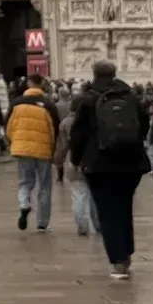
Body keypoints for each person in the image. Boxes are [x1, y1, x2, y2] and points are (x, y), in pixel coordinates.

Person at [69, 59, 150, 278]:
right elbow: (143, 126)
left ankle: (118, 261)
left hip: (99, 163)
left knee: (107, 211)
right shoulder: (130, 96)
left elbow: (78, 134)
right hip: (132, 161)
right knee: (124, 207)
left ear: (94, 73)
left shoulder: (87, 99)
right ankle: (127, 252)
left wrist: (76, 160)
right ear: (115, 73)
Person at [6, 73, 61, 231]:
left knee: (25, 182)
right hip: (43, 150)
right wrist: (53, 149)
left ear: (29, 84)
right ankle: (42, 223)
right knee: (44, 186)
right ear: (41, 84)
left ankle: (24, 204)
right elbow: (55, 129)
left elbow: (8, 127)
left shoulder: (16, 103)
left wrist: (13, 143)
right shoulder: (48, 104)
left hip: (22, 148)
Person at [55, 94, 99, 236]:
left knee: (79, 194)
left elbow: (63, 146)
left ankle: (82, 225)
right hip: (94, 162)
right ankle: (98, 225)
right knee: (95, 195)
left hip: (73, 162)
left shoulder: (65, 123)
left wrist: (58, 160)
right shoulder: (96, 120)